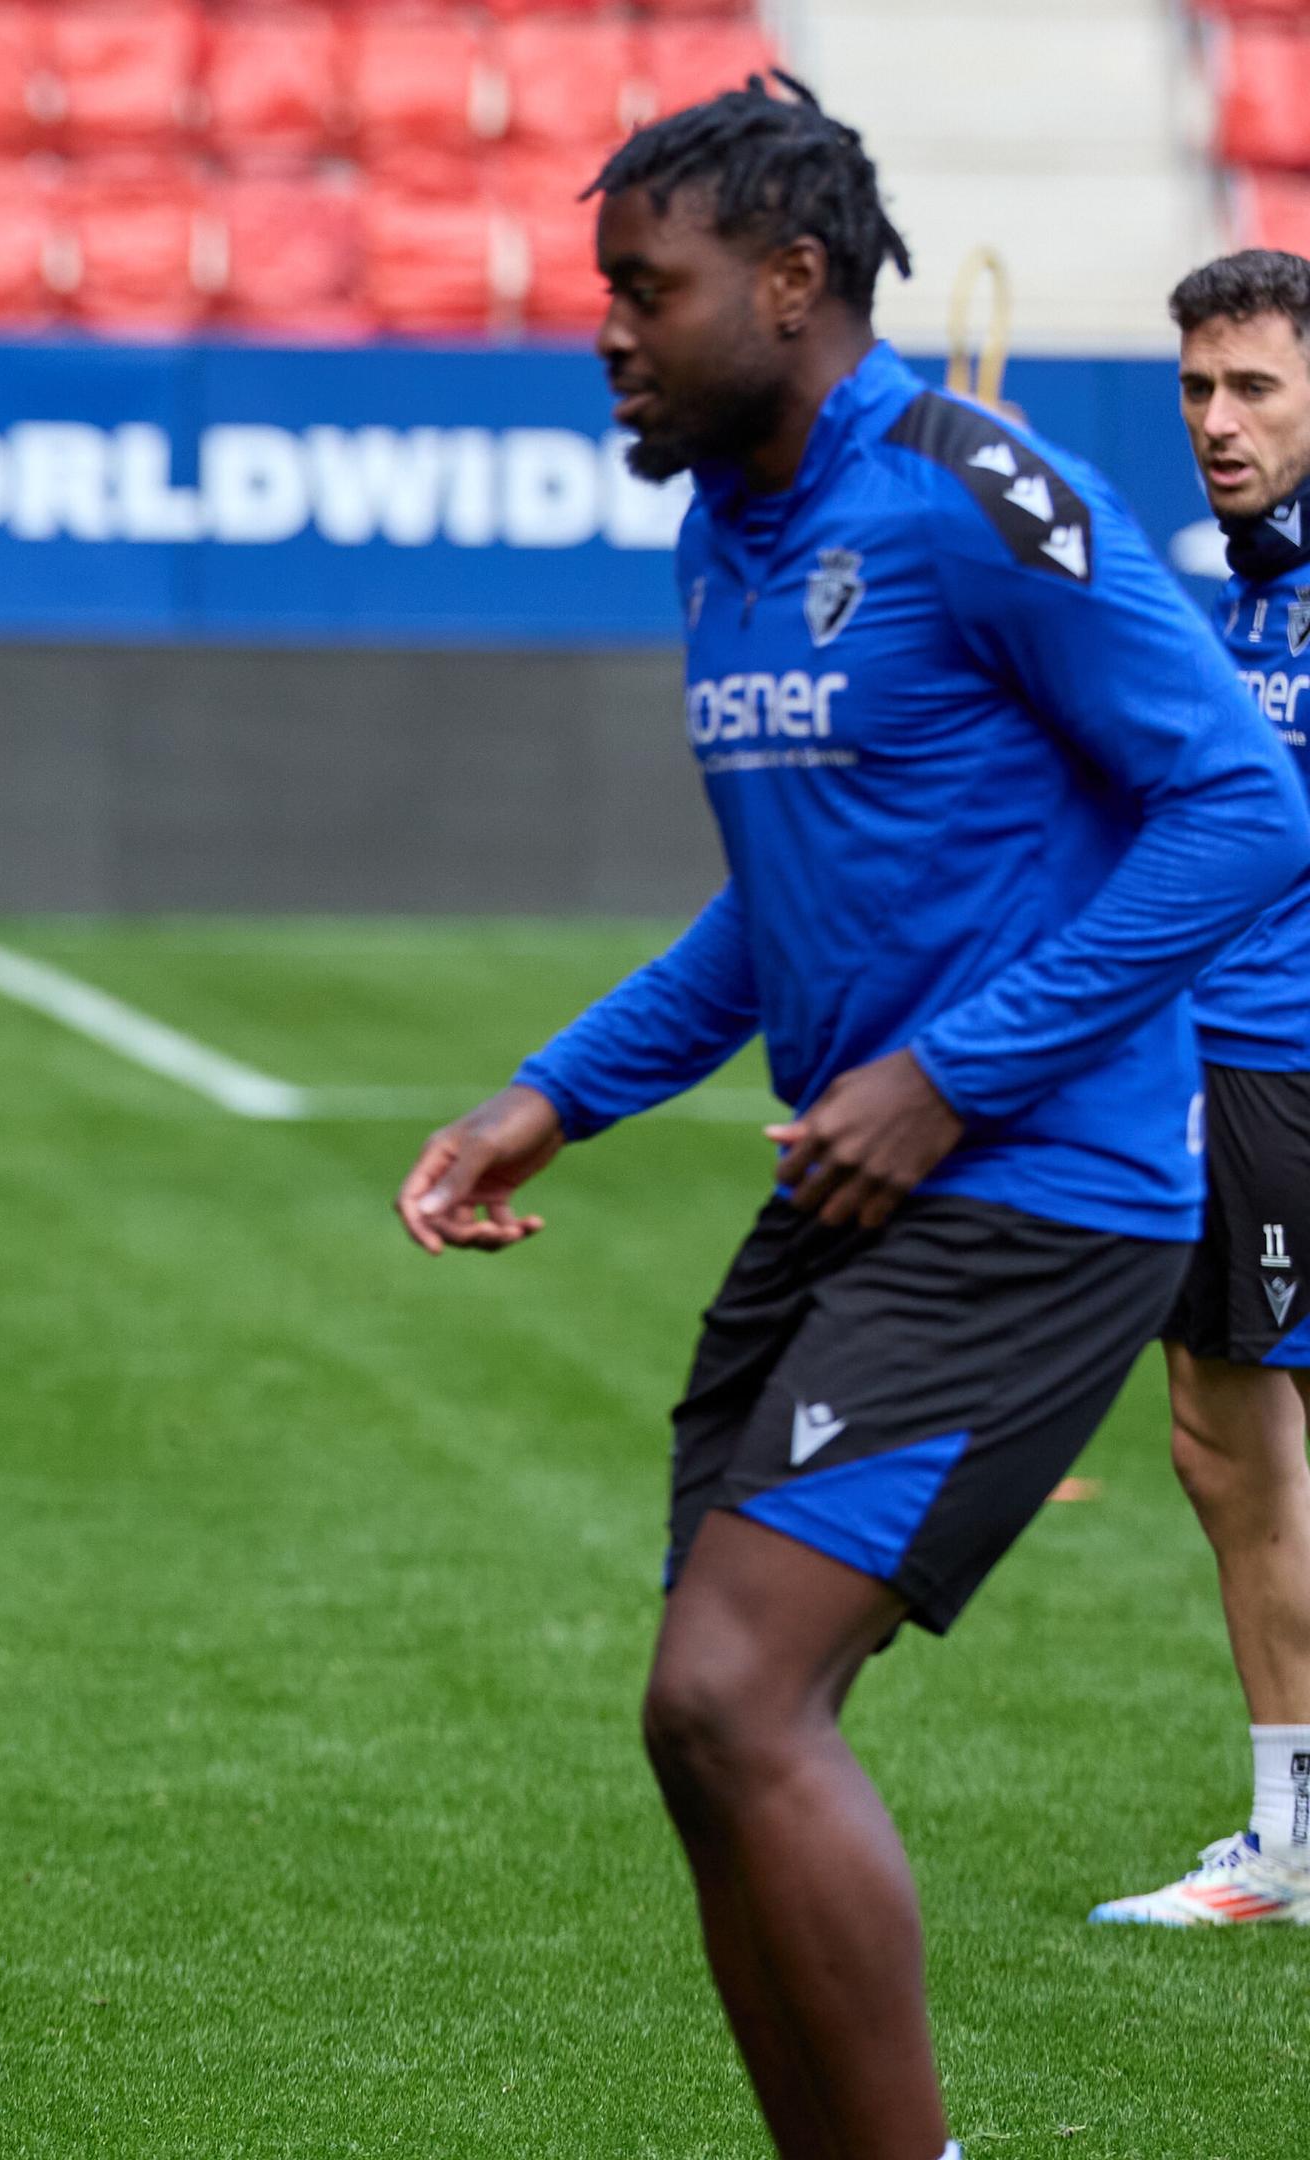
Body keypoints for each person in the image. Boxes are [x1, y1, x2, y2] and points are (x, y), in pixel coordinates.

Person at [396, 82, 1310, 2160]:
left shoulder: (974, 501)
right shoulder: (731, 528)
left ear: (791, 285)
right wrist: (558, 1094)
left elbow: (1247, 812)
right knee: (707, 1729)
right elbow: (780, 904)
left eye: (649, 289)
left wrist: (952, 1072)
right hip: (859, 1191)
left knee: (734, 1695)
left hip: (1046, 1194)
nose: (610, 329)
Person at [1092, 249, 1310, 1925]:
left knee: (1238, 1441)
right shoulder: (1208, 583)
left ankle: (1295, 1840)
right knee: (1219, 1442)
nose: (1216, 421)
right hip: (1216, 1058)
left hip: (1282, 1061)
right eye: (1194, 390)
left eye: (1252, 388)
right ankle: (1291, 1828)